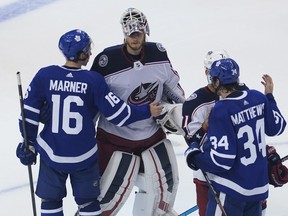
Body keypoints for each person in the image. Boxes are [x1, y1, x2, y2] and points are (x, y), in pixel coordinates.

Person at [16, 29, 163, 216]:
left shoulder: (45, 76)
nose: (90, 53)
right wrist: (146, 110)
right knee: (88, 203)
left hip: (51, 153)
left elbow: (28, 113)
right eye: (87, 50)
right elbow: (118, 114)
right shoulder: (93, 80)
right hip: (83, 156)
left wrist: (27, 142)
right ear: (81, 54)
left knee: (51, 201)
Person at [90, 8, 185, 216]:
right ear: (124, 33)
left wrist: (187, 111)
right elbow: (93, 102)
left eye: (138, 33)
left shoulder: (158, 54)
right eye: (131, 34)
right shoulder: (106, 61)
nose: (134, 38)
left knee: (165, 190)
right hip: (114, 140)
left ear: (145, 31)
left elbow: (173, 88)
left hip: (152, 137)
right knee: (107, 198)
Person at [185, 58, 286, 216]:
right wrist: (270, 97)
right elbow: (277, 127)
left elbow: (222, 160)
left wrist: (194, 156)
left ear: (217, 81)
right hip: (258, 189)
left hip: (231, 190)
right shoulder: (258, 97)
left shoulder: (221, 110)